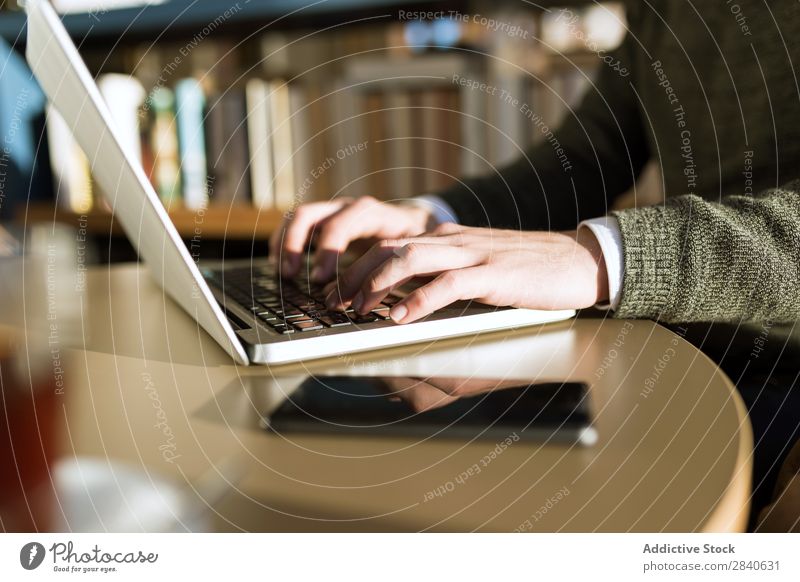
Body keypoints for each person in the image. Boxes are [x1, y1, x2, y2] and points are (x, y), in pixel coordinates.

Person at [269, 1, 800, 529]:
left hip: (779, 377)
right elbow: (589, 157)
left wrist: (601, 255)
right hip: (684, 343)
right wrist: (429, 218)